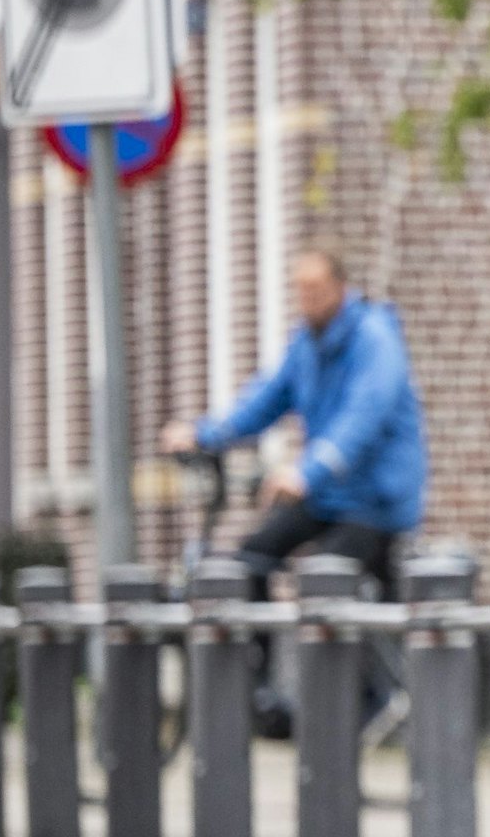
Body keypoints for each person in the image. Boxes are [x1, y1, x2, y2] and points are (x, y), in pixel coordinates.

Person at [162, 244, 429, 600]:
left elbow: (361, 418)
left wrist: (307, 472)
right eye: (301, 290)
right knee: (250, 560)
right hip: (327, 497)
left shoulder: (374, 339)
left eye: (316, 288)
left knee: (325, 579)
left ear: (340, 287)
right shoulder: (306, 345)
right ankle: (257, 639)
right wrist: (204, 433)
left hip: (375, 503)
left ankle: (342, 636)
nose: (308, 299)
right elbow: (265, 401)